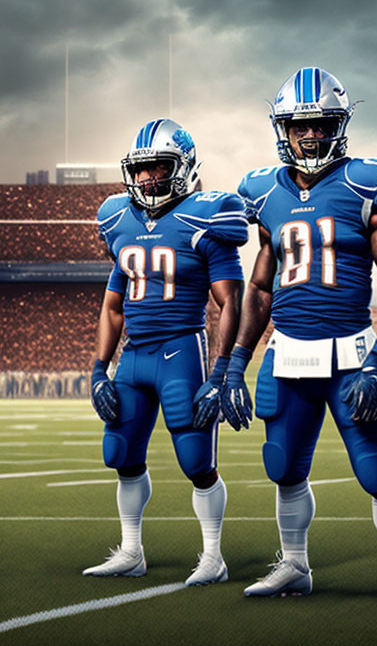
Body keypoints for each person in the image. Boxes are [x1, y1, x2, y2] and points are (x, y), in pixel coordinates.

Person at [221, 67, 377, 606]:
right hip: (286, 355)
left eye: (322, 124)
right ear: (283, 129)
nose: (310, 136)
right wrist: (233, 364)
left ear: (340, 125)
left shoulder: (366, 183)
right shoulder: (264, 192)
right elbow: (260, 287)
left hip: (349, 355)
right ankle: (294, 564)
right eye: (300, 126)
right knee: (282, 466)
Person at [86, 118, 248, 585]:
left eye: (158, 168)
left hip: (182, 349)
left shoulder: (207, 216)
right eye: (140, 171)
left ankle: (213, 556)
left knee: (196, 459)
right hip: (134, 356)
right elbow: (113, 305)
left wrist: (220, 374)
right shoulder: (120, 220)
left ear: (184, 167)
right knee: (120, 453)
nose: (147, 179)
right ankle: (132, 550)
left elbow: (228, 301)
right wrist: (99, 368)